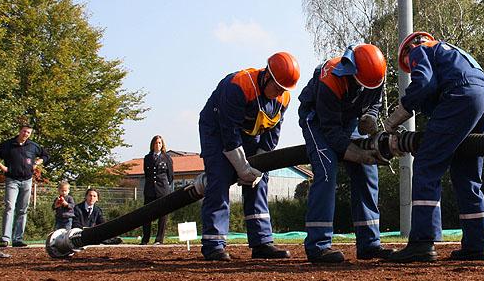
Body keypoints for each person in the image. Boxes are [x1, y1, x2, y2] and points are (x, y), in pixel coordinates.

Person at [384, 31, 484, 263]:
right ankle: (477, 244)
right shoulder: (452, 52)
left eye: (408, 66)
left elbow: (424, 84)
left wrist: (399, 113)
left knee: (426, 166)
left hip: (460, 96)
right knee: (467, 174)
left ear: (408, 51)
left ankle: (422, 242)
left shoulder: (419, 49)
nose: (410, 68)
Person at [198, 52, 300, 262]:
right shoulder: (238, 86)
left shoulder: (283, 98)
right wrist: (242, 168)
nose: (279, 93)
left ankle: (262, 242)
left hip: (251, 134)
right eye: (277, 87)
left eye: (283, 89)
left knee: (259, 180)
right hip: (217, 130)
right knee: (219, 179)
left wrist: (260, 165)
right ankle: (214, 244)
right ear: (267, 76)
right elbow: (229, 134)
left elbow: (272, 133)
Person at [298, 43, 393, 263]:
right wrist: (358, 154)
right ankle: (318, 246)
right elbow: (331, 131)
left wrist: (370, 116)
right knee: (326, 170)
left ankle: (369, 244)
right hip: (317, 120)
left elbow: (374, 102)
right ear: (352, 72)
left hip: (349, 119)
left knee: (368, 171)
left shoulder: (376, 74)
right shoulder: (330, 79)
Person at [0, 123, 50, 248]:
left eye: (28, 132)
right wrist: (3, 168)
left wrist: (38, 162)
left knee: (23, 209)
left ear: (30, 134)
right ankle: (5, 238)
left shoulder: (33, 146)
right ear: (20, 131)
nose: (26, 134)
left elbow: (46, 155)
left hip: (27, 180)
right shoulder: (8, 145)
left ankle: (17, 239)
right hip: (12, 180)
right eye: (24, 131)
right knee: (9, 207)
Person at [141, 135, 174, 244]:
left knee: (163, 215)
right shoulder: (147, 158)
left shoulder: (167, 158)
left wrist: (164, 186)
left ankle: (159, 239)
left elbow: (170, 176)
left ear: (162, 144)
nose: (158, 145)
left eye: (159, 143)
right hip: (150, 190)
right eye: (156, 143)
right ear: (152, 144)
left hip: (162, 190)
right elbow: (147, 174)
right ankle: (145, 238)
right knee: (146, 214)